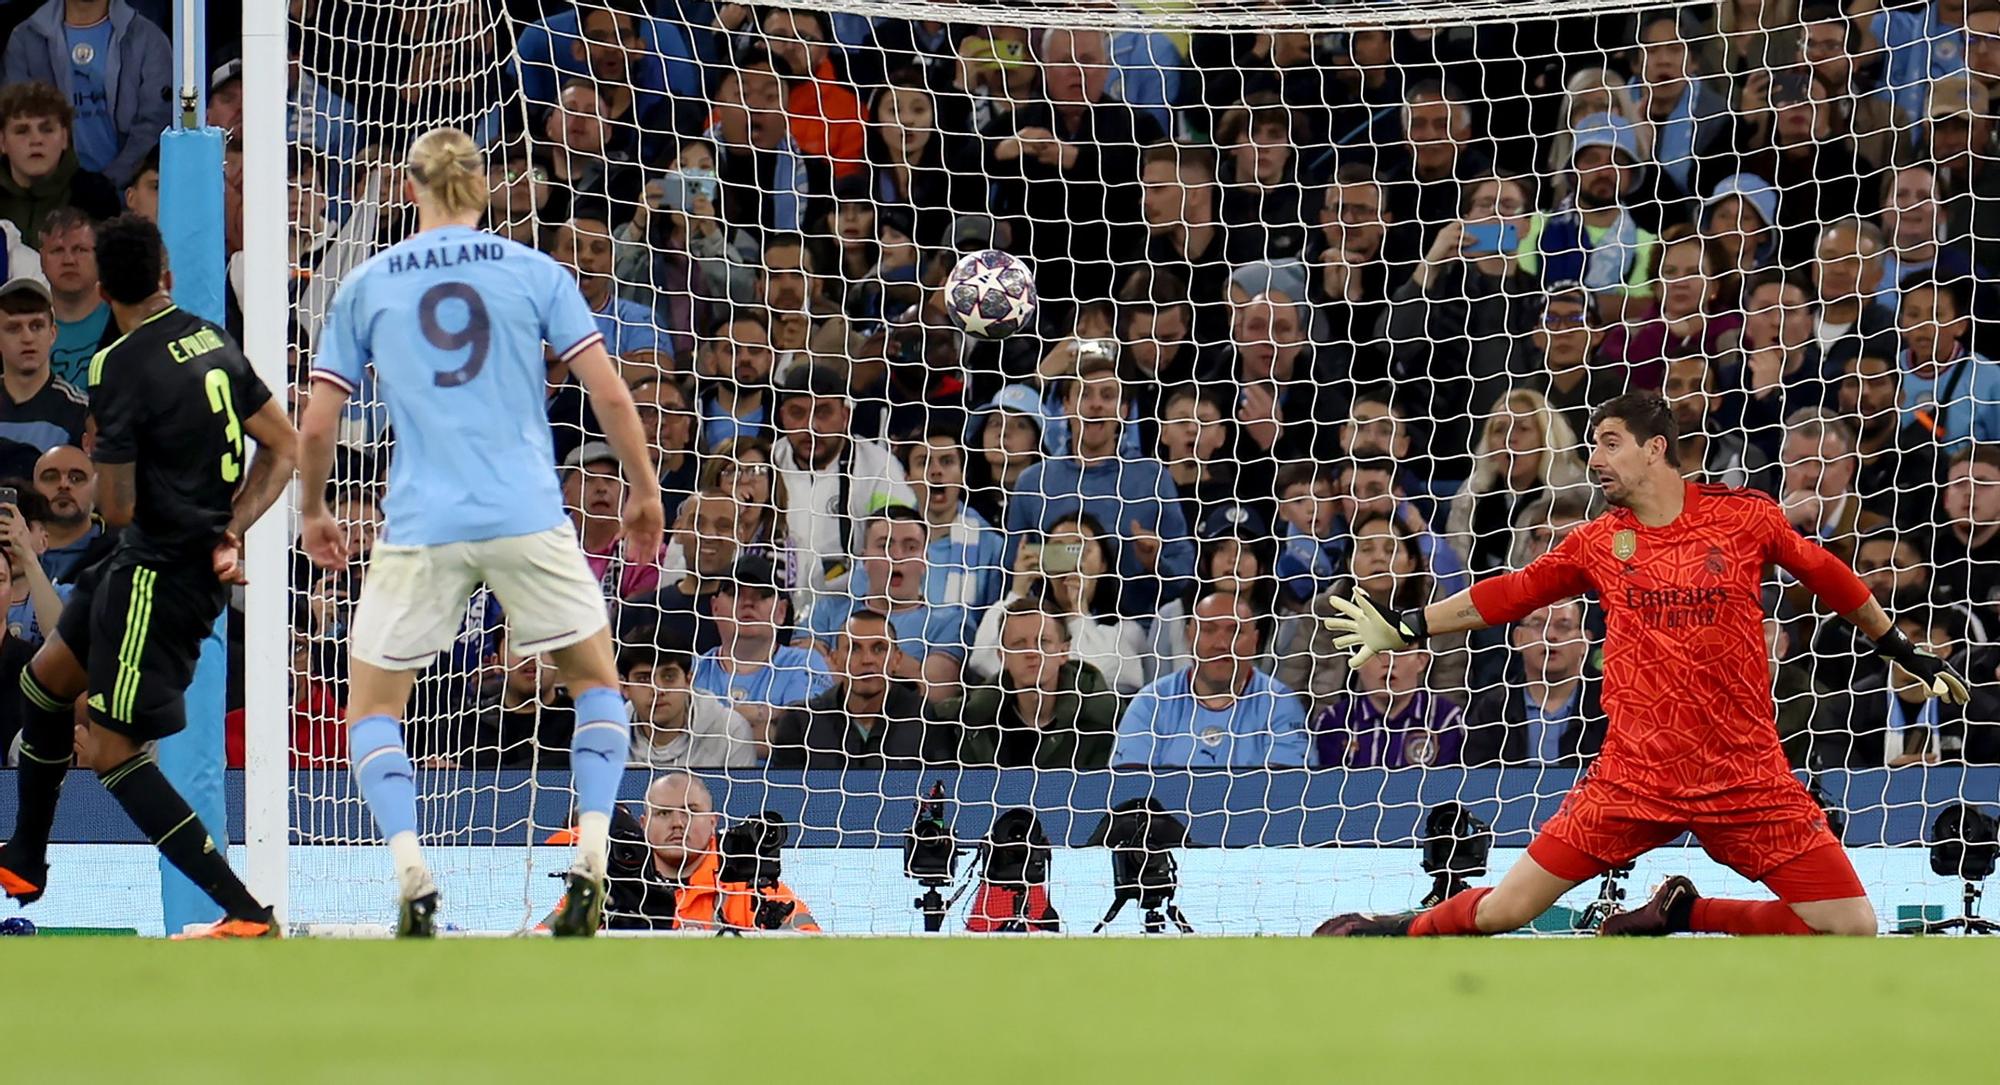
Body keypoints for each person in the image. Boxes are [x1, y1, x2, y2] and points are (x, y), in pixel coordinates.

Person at [1319, 391, 1970, 939]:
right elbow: (1511, 591)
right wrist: (1409, 624)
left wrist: (1901, 647)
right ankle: (1381, 930)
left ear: (1655, 447)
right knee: (1506, 909)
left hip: (1744, 773)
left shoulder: (1743, 517)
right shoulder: (1599, 540)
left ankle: (1684, 910)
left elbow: (1828, 574)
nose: (1594, 458)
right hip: (1634, 777)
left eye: (1608, 442)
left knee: (1853, 925)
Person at [296, 128, 665, 938]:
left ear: (408, 188)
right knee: (595, 680)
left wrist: (316, 508)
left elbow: (319, 421)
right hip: (529, 511)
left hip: (422, 520)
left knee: (375, 706)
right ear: (486, 188)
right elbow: (608, 389)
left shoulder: (366, 282)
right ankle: (595, 853)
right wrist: (642, 489)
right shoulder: (534, 270)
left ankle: (408, 865)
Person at [0, 215, 297, 939]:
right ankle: (28, 858)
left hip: (158, 573)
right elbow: (284, 447)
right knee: (42, 685)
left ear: (101, 287)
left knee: (109, 749)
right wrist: (234, 524)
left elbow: (121, 504)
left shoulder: (117, 365)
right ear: (165, 271)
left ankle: (246, 910)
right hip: (137, 559)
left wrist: (127, 482)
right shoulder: (214, 339)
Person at [1005, 350, 1194, 620]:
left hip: (1133, 633)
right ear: (1066, 404)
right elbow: (1013, 572)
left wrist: (1155, 563)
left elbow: (1185, 574)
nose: (1096, 405)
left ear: (1124, 410)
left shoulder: (1153, 478)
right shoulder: (1033, 483)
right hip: (1052, 634)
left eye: (1107, 396)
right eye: (1085, 395)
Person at [1111, 591, 1310, 768]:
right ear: (1189, 636)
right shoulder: (1151, 701)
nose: (1222, 644)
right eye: (1208, 630)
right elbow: (1129, 788)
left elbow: (1286, 794)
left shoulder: (1280, 703)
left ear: (1255, 641)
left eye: (1235, 631)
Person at [604, 772, 819, 932]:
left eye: (691, 811)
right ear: (644, 824)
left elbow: (814, 955)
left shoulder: (754, 891)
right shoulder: (610, 890)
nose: (678, 823)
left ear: (712, 821)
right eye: (663, 813)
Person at [806, 507, 972, 705]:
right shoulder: (828, 609)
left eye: (910, 547)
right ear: (864, 559)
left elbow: (934, 696)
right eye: (885, 546)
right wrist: (908, 669)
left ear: (925, 560)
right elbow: (800, 675)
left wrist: (839, 664)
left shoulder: (950, 622)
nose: (897, 556)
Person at [0, 0, 171, 187]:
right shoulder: (25, 39)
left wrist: (109, 184)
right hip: (51, 198)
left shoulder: (148, 39)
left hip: (127, 196)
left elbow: (155, 124)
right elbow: (16, 121)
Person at [770, 608, 954, 768]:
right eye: (854, 649)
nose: (867, 660)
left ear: (897, 659)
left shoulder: (925, 719)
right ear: (835, 660)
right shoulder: (801, 722)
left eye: (878, 649)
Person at [959, 599, 1123, 769]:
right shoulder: (969, 719)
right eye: (1019, 644)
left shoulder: (1106, 718)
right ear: (1003, 657)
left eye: (1043, 642)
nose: (1032, 652)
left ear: (1064, 652)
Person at [692, 556, 832, 749]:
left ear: (781, 612)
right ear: (715, 608)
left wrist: (710, 726)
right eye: (735, 593)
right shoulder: (690, 668)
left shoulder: (806, 663)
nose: (748, 602)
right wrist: (770, 715)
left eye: (762, 594)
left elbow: (800, 736)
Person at [1461, 600, 1606, 766]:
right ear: (1518, 638)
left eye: (1563, 626)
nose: (1550, 635)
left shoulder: (1610, 707)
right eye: (1538, 625)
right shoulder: (1493, 709)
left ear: (1584, 642)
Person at [0, 81, 120, 245]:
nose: (36, 140)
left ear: (65, 137)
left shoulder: (97, 196)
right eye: (22, 131)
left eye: (47, 129)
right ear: (2, 142)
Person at [1314, 641, 1465, 768]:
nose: (1388, 661)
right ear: (1357, 662)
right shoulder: (1334, 721)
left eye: (1399, 651)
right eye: (1376, 650)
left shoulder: (1446, 720)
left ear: (1421, 661)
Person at [622, 645, 754, 770]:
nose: (658, 689)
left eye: (669, 677)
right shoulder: (607, 734)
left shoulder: (731, 731)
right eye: (644, 679)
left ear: (688, 682)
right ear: (625, 687)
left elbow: (744, 794)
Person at [562, 441, 660, 604]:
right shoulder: (550, 548)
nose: (601, 488)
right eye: (589, 479)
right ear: (566, 494)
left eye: (611, 479)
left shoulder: (646, 551)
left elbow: (634, 622)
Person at [0, 277, 84, 463]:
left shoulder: (78, 412)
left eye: (37, 326)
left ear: (52, 334)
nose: (27, 338)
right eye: (14, 328)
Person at [37, 207, 109, 389]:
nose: (69, 260)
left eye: (80, 249)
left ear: (99, 256)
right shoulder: (26, 326)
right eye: (57, 250)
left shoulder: (123, 319)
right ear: (41, 260)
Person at [31, 443, 95, 580]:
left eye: (76, 478)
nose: (64, 485)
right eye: (50, 477)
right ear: (33, 488)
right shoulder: (10, 550)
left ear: (97, 489)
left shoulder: (116, 552)